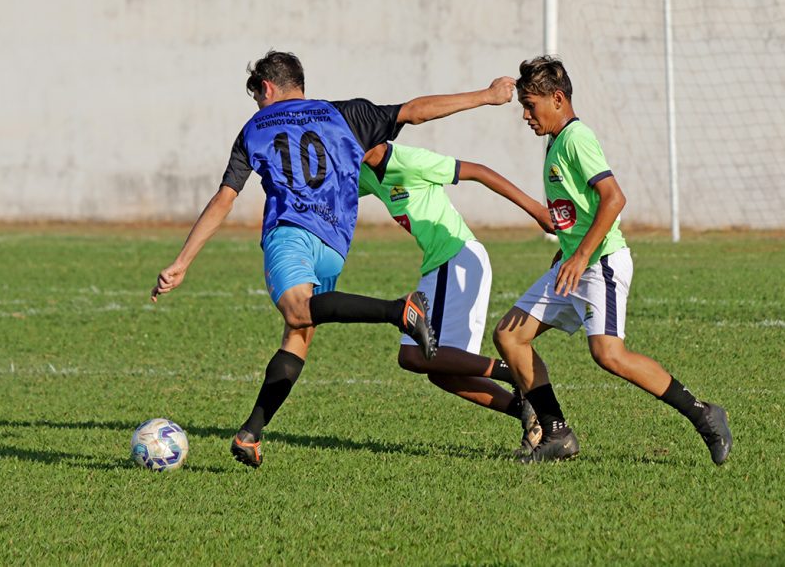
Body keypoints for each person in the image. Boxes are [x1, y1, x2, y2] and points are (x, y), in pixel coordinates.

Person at [151, 50, 517, 468]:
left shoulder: (255, 127)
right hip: (334, 244)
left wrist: (182, 261)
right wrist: (486, 96)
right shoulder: (347, 114)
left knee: (296, 309)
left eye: (258, 97)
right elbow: (415, 111)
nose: (258, 106)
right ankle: (251, 432)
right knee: (299, 332)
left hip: (290, 234)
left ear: (267, 89)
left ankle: (399, 311)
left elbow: (224, 199)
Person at [492, 56, 733, 464]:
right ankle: (556, 433)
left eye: (530, 106)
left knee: (609, 354)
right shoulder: (557, 141)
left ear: (557, 98)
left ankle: (704, 414)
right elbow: (580, 209)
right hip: (573, 262)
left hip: (599, 261)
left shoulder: (575, 138)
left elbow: (614, 198)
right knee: (510, 336)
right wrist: (568, 249)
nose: (526, 116)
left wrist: (582, 253)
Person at [359, 141, 554, 454]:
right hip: (441, 264)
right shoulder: (365, 171)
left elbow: (479, 171)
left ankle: (514, 372)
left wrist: (537, 211)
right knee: (440, 374)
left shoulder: (409, 161)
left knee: (415, 356)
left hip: (457, 259)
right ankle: (530, 414)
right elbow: (326, 188)